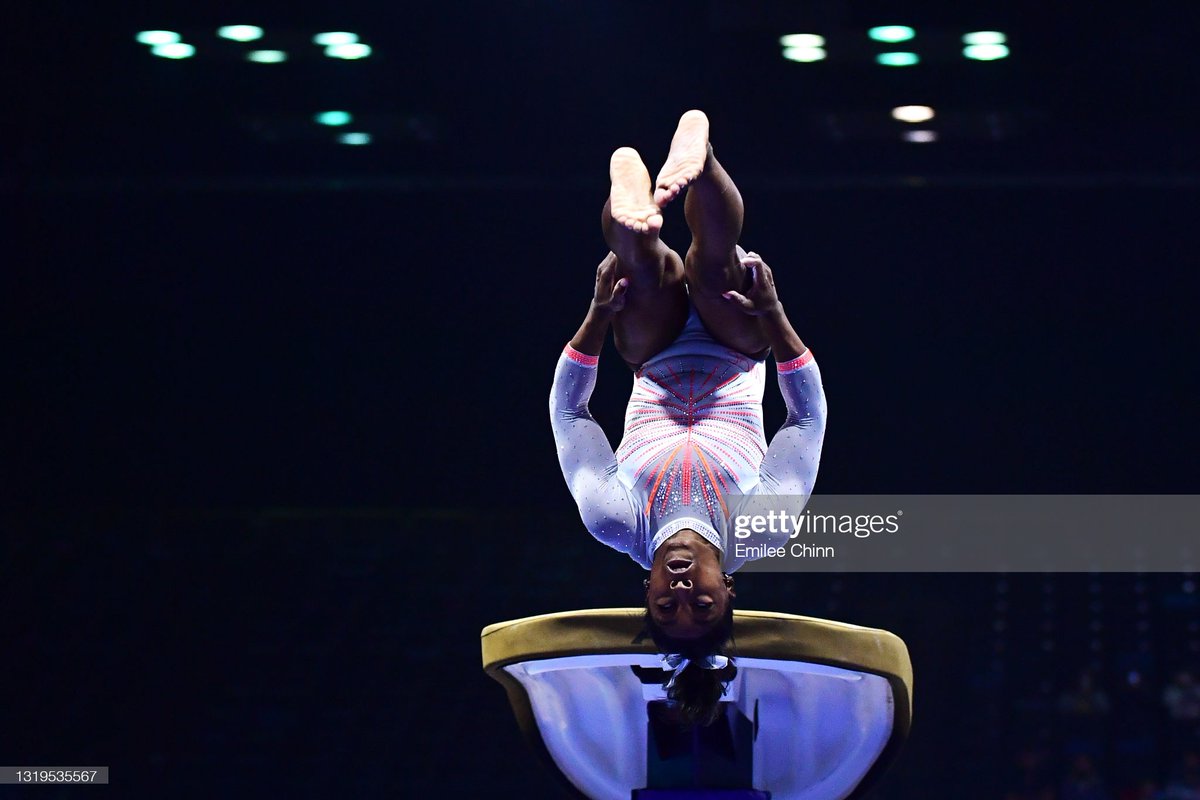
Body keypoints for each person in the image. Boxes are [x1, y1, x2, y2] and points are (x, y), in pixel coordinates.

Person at [549, 110, 827, 725]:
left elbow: (570, 416)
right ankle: (700, 162)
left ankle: (632, 205)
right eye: (702, 608)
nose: (682, 594)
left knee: (643, 271)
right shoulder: (761, 527)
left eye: (666, 610)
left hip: (651, 353)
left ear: (642, 597)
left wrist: (596, 316)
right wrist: (775, 311)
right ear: (730, 592)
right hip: (736, 351)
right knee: (714, 268)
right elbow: (805, 422)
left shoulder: (614, 520)